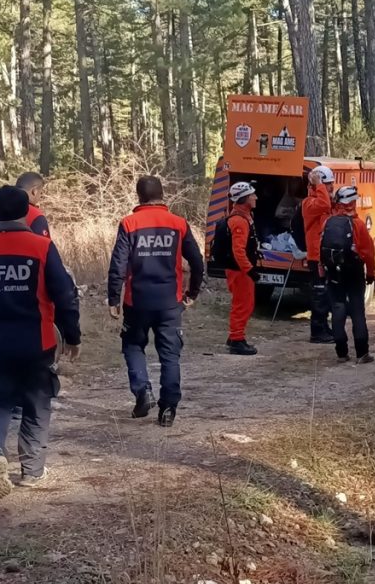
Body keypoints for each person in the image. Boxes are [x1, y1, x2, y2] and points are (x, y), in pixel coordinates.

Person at [0, 186, 81, 499]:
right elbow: (64, 295)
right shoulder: (42, 247)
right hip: (37, 341)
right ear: (25, 212)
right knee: (36, 403)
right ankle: (32, 470)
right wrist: (72, 335)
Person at [107, 176, 204, 427]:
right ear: (163, 195)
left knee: (132, 346)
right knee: (170, 356)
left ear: (139, 197)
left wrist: (113, 298)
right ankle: (168, 409)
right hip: (170, 303)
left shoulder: (129, 223)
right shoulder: (178, 223)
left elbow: (118, 264)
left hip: (136, 302)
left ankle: (143, 391)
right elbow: (197, 262)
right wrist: (192, 293)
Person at [320, 186, 375, 364]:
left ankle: (341, 353)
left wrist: (323, 269)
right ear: (353, 203)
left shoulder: (328, 222)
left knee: (338, 309)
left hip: (333, 272)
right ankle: (362, 353)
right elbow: (368, 252)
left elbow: (321, 246)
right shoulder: (358, 224)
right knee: (357, 311)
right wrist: (372, 273)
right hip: (354, 271)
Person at [222, 181, 260, 356]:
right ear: (244, 198)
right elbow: (238, 251)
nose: (255, 197)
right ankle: (237, 340)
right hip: (240, 271)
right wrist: (250, 270)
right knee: (242, 304)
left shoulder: (242, 217)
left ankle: (235, 336)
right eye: (252, 195)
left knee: (244, 303)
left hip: (239, 270)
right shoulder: (239, 220)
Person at [302, 166, 336, 343]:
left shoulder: (326, 201)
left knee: (326, 295)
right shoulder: (309, 203)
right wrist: (319, 186)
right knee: (319, 294)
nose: (331, 187)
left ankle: (324, 327)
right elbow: (324, 204)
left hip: (326, 255)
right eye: (328, 184)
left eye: (331, 184)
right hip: (316, 257)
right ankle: (317, 331)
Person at [0, 171, 50, 239]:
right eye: (41, 193)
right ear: (34, 191)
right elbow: (43, 246)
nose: (41, 196)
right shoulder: (36, 216)